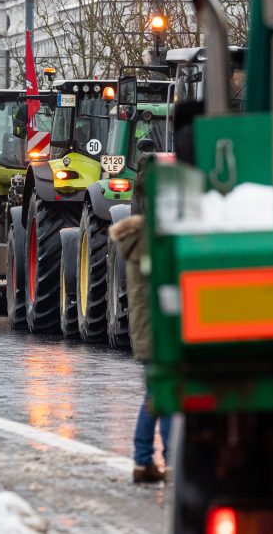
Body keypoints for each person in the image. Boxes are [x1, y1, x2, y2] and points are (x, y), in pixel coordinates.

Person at [109, 183, 170, 484]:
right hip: (156, 333)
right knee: (163, 397)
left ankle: (144, 460)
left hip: (147, 332)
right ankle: (165, 459)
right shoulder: (148, 242)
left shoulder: (136, 241)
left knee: (155, 396)